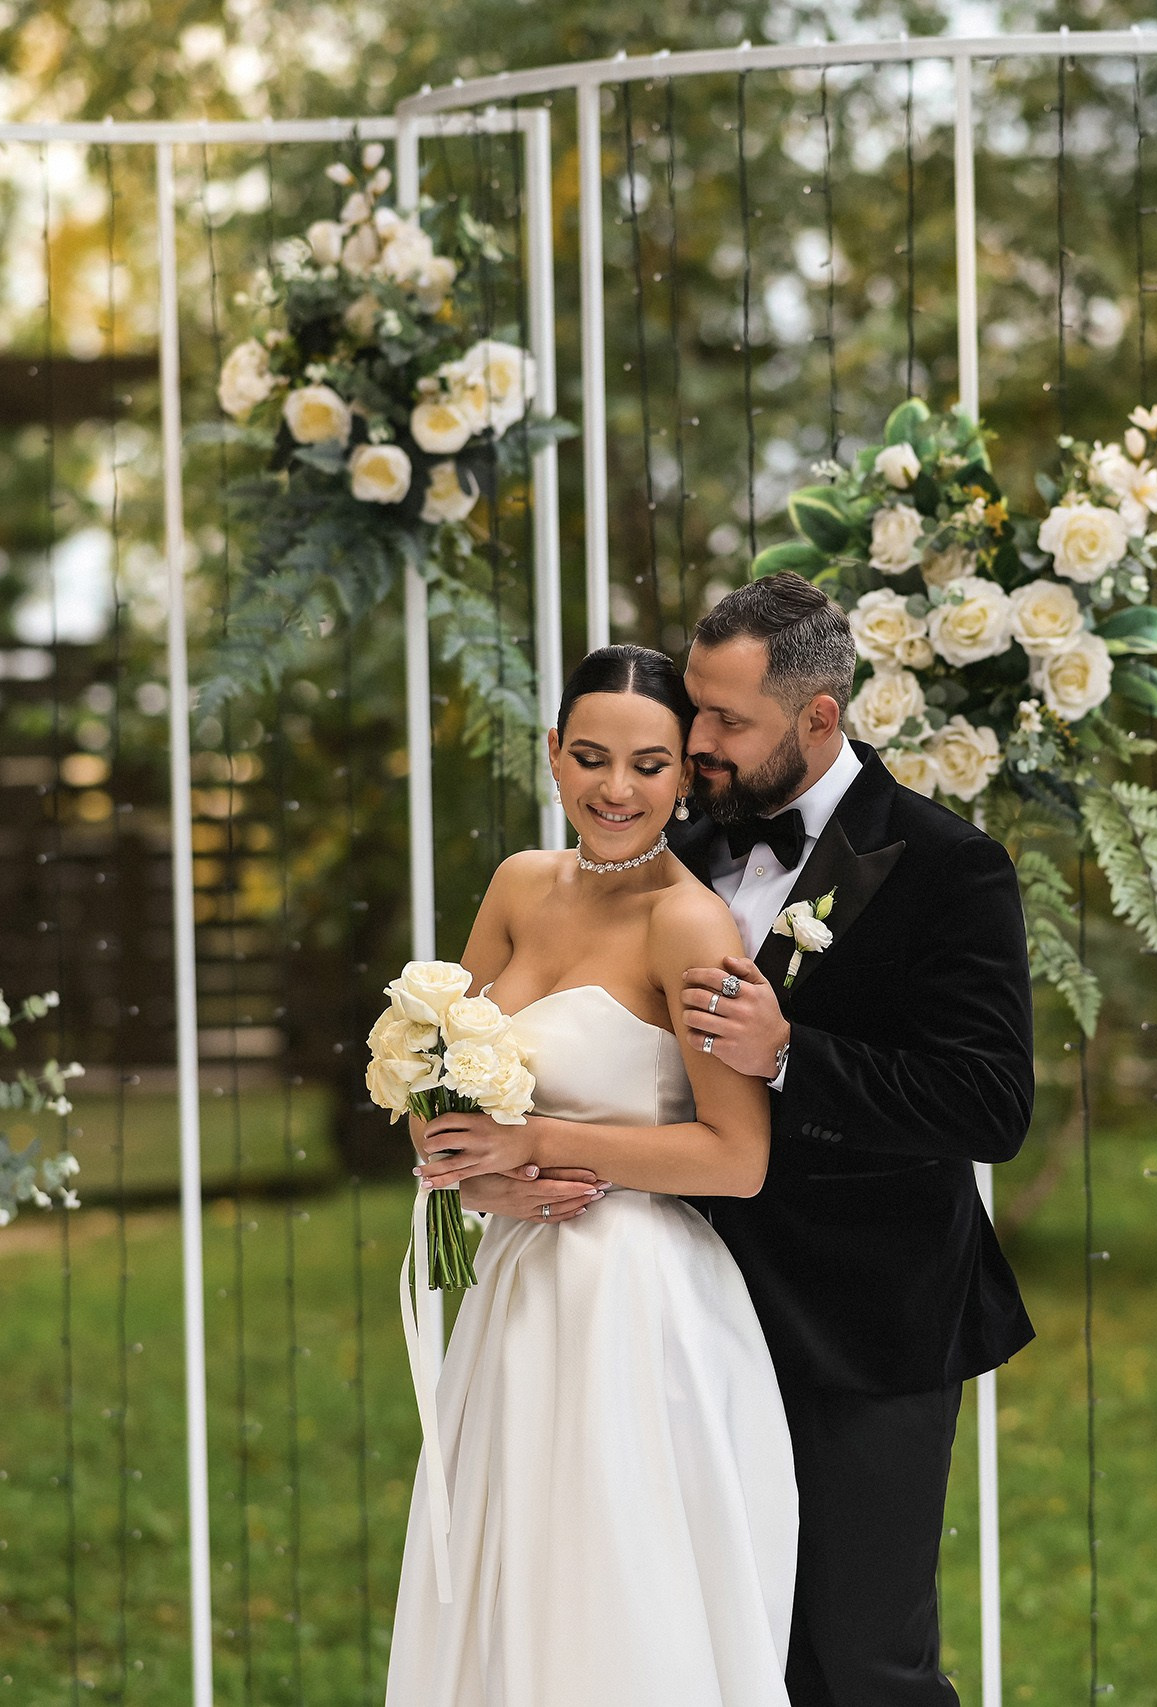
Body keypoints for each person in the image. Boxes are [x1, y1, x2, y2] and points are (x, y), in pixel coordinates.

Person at [467, 572, 1038, 1707]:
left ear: (817, 718)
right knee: (717, 1651)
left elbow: (988, 1105)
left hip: (860, 1324)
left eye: (725, 719)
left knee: (859, 1660)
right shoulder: (672, 837)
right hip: (671, 1322)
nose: (698, 739)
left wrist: (790, 1055)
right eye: (696, 711)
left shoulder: (945, 867)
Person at [387, 643, 799, 1707]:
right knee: (506, 1582)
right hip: (516, 1287)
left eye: (650, 765)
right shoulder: (520, 886)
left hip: (634, 1302)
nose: (616, 789)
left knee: (611, 1594)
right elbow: (436, 1085)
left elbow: (737, 1158)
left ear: (685, 774)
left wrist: (539, 1146)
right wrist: (474, 1177)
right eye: (591, 757)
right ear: (554, 757)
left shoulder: (689, 922)